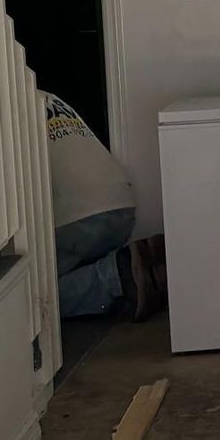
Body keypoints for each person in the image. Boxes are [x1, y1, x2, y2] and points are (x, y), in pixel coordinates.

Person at [46, 93, 164, 319]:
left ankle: (117, 276)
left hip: (77, 220)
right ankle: (139, 267)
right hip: (121, 208)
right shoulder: (48, 98)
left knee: (31, 294)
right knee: (66, 271)